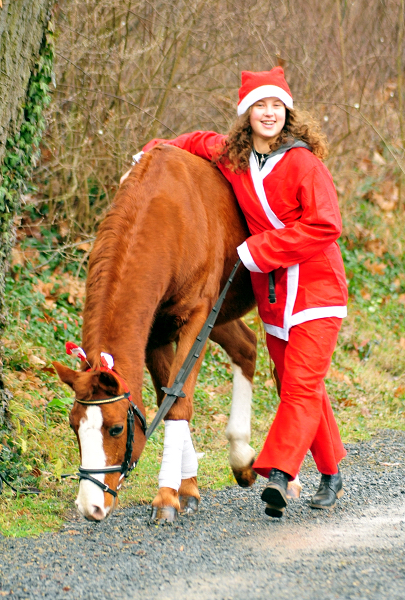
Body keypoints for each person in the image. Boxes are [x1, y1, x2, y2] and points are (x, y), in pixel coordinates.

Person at [140, 67, 348, 518]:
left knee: (301, 385)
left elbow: (326, 224)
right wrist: (152, 150)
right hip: (273, 294)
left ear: (287, 111)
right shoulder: (235, 157)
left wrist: (262, 247)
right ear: (247, 114)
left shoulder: (304, 162)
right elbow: (197, 141)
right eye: (260, 105)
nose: (269, 113)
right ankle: (331, 471)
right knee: (295, 381)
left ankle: (279, 472)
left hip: (316, 287)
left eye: (276, 105)